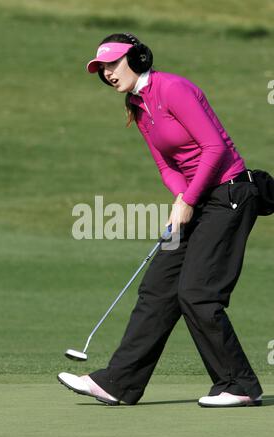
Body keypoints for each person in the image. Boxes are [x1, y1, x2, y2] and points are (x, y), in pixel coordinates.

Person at [58, 32, 263, 407]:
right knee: (158, 288)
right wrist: (181, 198)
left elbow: (214, 148)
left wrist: (190, 198)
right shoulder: (137, 104)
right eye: (101, 68)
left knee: (198, 294)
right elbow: (165, 164)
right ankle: (118, 383)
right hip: (196, 199)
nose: (107, 73)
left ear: (137, 59)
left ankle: (238, 385)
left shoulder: (173, 88)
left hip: (229, 195)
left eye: (112, 64)